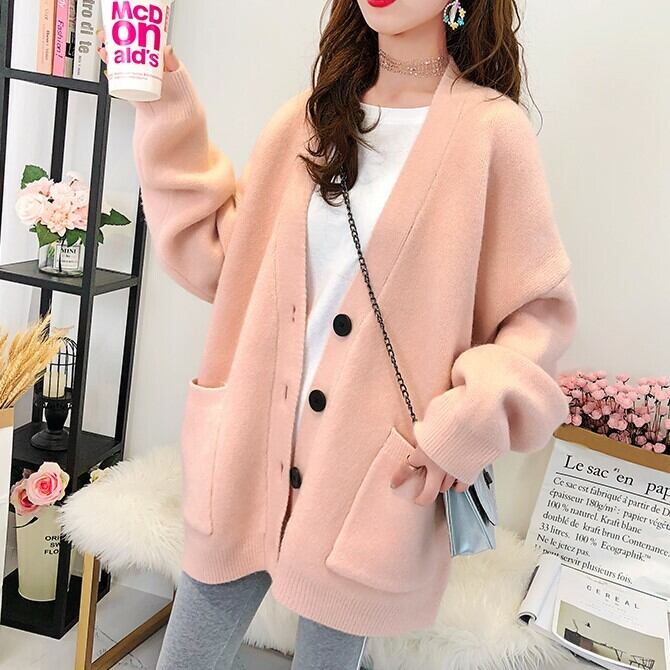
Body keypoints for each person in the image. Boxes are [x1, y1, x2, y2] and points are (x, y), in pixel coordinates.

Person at [98, 0, 577, 668]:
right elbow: (224, 260)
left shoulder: (490, 134)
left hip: (372, 476)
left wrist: (466, 425)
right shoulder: (309, 120)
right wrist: (162, 104)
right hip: (248, 453)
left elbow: (536, 314)